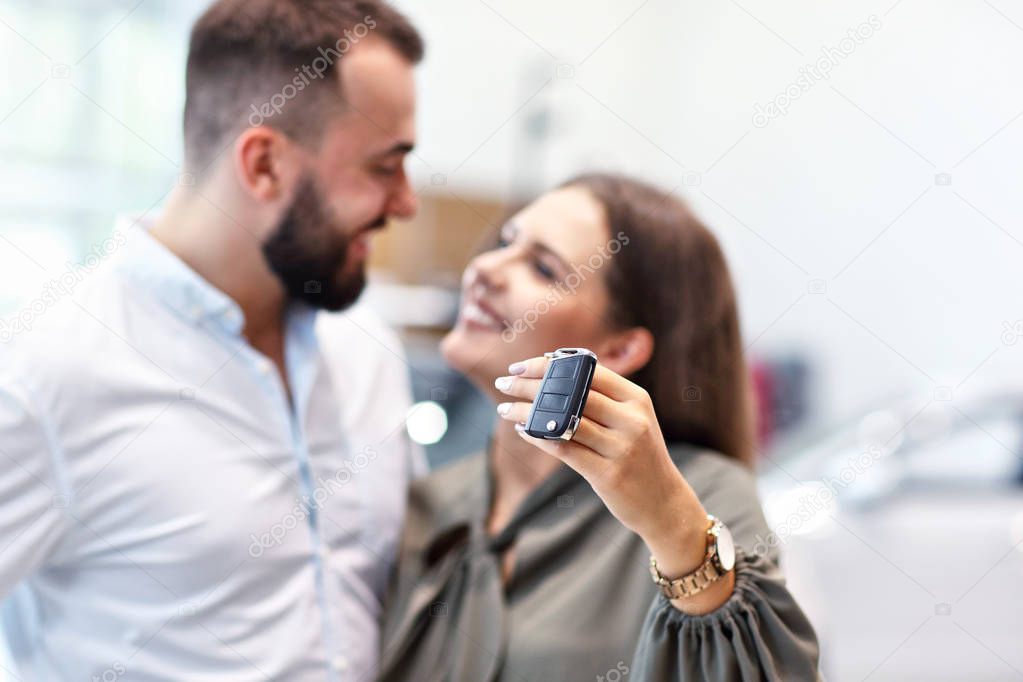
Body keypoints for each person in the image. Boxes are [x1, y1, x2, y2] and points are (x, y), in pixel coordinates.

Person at [0, 0, 426, 678]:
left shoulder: (365, 343)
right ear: (263, 166)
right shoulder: (43, 376)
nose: (405, 203)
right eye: (384, 166)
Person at [377, 174, 821, 681]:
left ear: (619, 350)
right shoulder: (429, 501)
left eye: (543, 268)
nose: (485, 268)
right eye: (506, 242)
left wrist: (675, 529)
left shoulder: (703, 497)